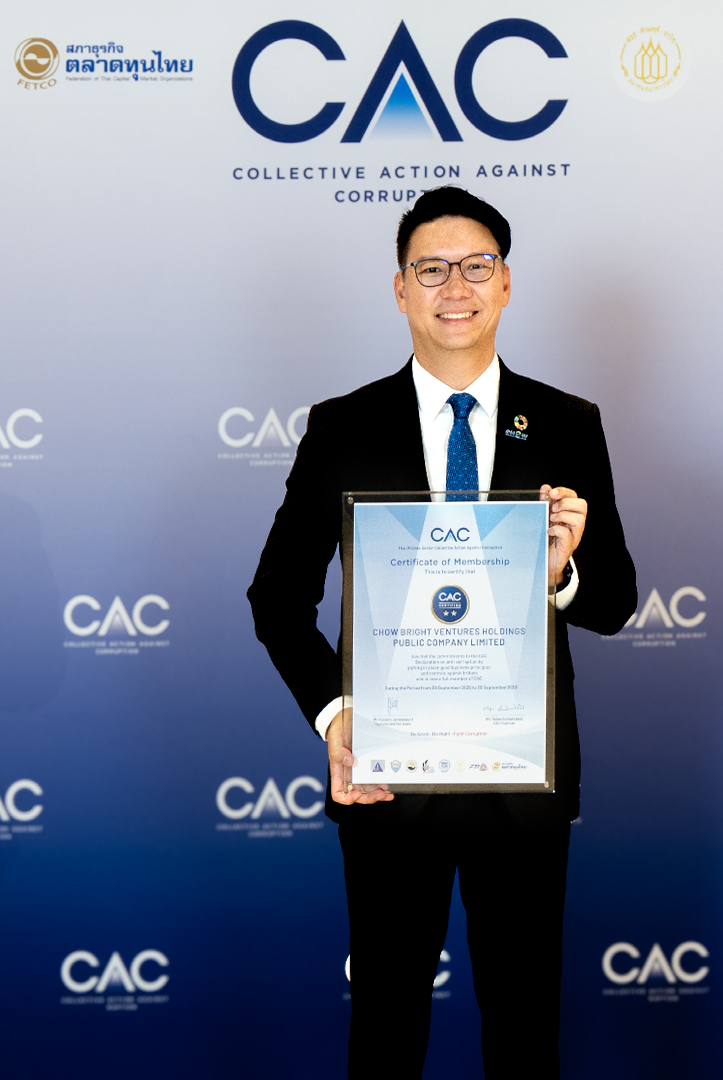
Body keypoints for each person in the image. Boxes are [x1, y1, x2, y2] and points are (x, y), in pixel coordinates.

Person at [248, 186, 637, 1077]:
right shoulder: (341, 427)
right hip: (388, 778)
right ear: (400, 289)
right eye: (431, 269)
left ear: (506, 284)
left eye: (476, 266)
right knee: (385, 1037)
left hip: (522, 777)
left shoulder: (569, 423)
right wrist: (339, 718)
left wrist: (559, 573)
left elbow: (615, 601)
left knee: (525, 1038)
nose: (454, 287)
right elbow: (277, 598)